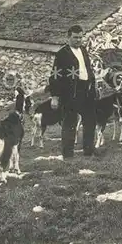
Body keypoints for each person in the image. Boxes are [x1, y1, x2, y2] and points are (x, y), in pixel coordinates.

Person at [48, 25, 97, 158]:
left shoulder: (83, 50)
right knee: (70, 123)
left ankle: (89, 152)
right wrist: (55, 96)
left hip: (86, 91)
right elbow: (55, 75)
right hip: (70, 93)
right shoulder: (62, 54)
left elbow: (87, 69)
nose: (78, 40)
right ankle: (68, 155)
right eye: (75, 37)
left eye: (80, 37)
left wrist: (93, 86)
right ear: (68, 37)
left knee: (90, 121)